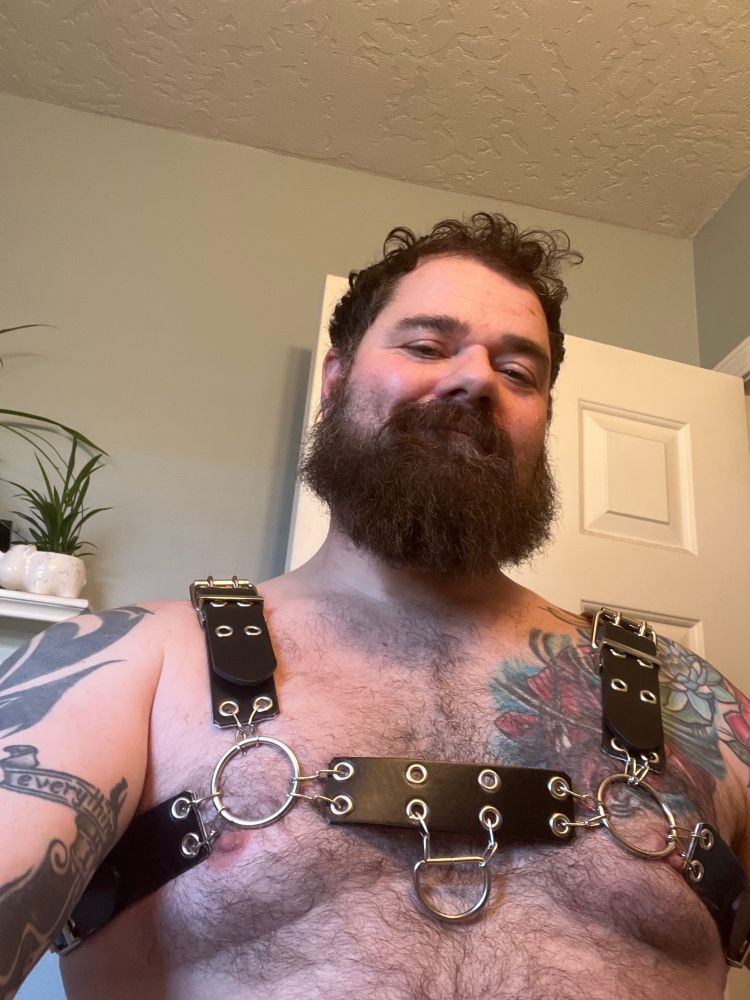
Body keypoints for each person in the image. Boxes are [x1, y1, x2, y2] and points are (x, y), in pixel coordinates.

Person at [1, 213, 748, 1000]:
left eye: (519, 371)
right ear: (336, 378)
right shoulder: (132, 664)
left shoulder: (683, 696)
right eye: (426, 346)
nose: (475, 380)